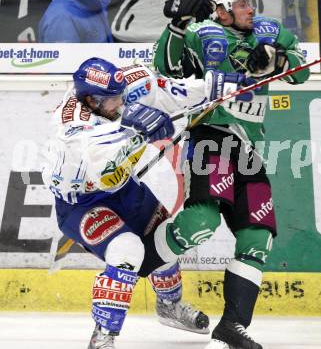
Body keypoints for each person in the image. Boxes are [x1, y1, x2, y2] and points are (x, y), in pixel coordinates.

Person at [42, 57, 247, 348]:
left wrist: (213, 86)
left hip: (125, 190)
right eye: (114, 100)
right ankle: (103, 334)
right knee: (128, 249)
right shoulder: (71, 125)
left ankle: (169, 306)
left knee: (162, 239)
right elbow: (103, 170)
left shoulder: (121, 86)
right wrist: (135, 135)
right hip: (83, 204)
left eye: (121, 94)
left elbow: (165, 90)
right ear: (90, 100)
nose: (122, 102)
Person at [153, 0, 310, 349]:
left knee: (257, 237)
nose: (249, 8)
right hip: (212, 137)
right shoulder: (201, 34)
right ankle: (142, 265)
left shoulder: (267, 32)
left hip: (249, 148)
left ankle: (232, 326)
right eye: (240, 4)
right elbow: (166, 69)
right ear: (220, 10)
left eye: (249, 1)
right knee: (201, 223)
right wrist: (176, 25)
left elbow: (301, 71)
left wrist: (279, 59)